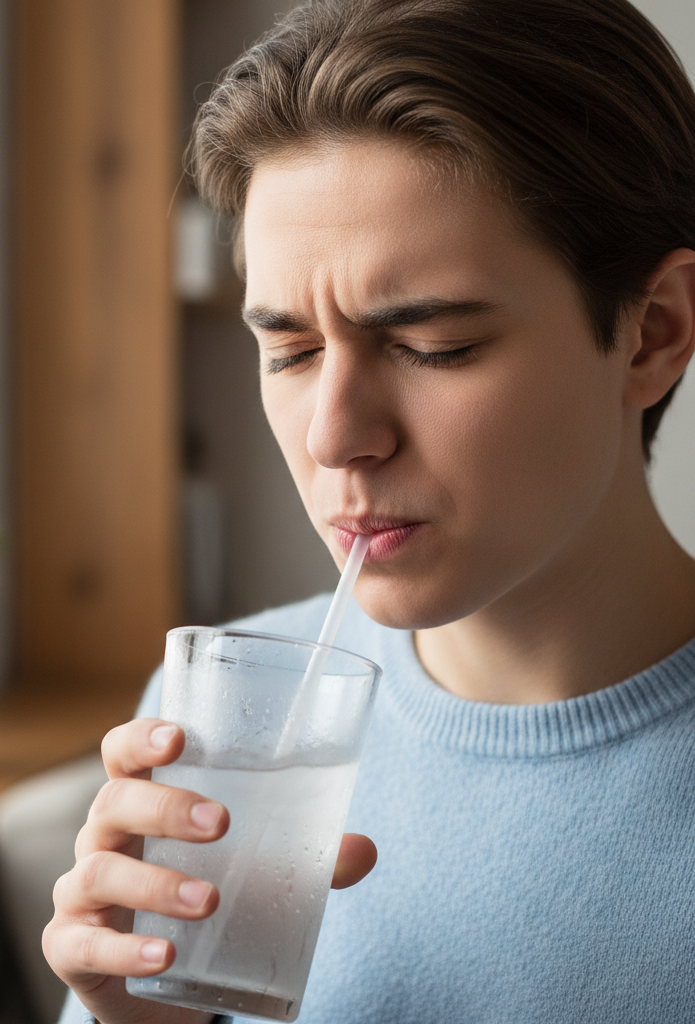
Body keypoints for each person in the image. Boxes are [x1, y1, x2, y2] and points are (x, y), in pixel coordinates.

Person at [43, 0, 695, 1020]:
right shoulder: (217, 723)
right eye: (291, 350)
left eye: (431, 345)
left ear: (652, 332)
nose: (332, 434)